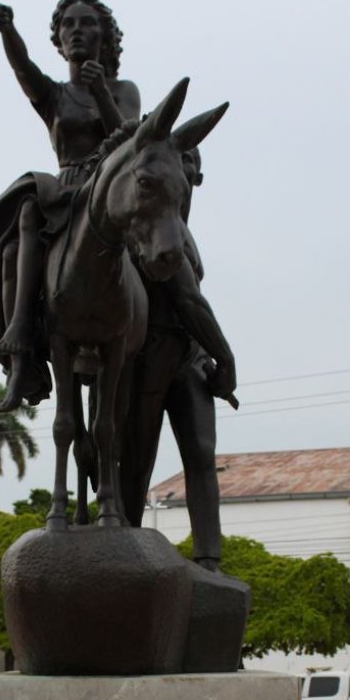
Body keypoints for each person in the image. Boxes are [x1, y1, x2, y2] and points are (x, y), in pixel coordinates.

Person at [0, 0, 141, 412]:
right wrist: (8, 32)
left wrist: (101, 91)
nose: (76, 31)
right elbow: (23, 68)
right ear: (59, 38)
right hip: (64, 193)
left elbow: (129, 143)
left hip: (107, 195)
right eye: (68, 25)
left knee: (170, 264)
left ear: (104, 37)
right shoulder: (54, 96)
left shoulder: (124, 91)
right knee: (17, 237)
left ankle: (194, 346)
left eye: (87, 24)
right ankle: (20, 353)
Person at [120, 146, 233, 568]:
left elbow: (194, 305)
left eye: (190, 163)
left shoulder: (186, 233)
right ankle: (124, 551)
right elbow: (188, 300)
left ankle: (209, 559)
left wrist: (212, 355)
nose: (183, 168)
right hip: (150, 353)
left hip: (190, 356)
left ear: (194, 179)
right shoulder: (146, 227)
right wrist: (229, 359)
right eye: (177, 159)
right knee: (137, 459)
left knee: (202, 454)